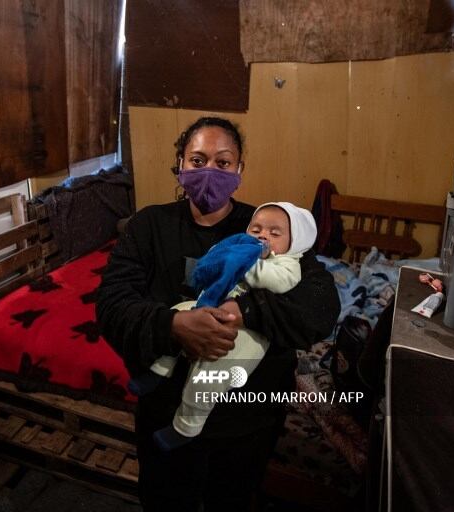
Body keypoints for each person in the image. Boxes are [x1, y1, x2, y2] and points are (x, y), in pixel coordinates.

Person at [96, 116, 340, 511]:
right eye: (197, 160)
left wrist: (244, 311)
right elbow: (111, 305)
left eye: (223, 162)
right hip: (165, 413)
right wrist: (173, 325)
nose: (210, 170)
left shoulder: (267, 227)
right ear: (180, 164)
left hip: (247, 420)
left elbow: (320, 307)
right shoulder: (149, 226)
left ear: (239, 169)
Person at [129, 202, 317, 452]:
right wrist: (224, 255)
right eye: (256, 229)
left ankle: (186, 426)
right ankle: (159, 370)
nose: (263, 236)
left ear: (294, 243)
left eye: (274, 233)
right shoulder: (239, 246)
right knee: (177, 314)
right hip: (211, 305)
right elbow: (216, 258)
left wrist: (244, 264)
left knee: (210, 374)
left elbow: (280, 282)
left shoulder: (288, 263)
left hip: (248, 332)